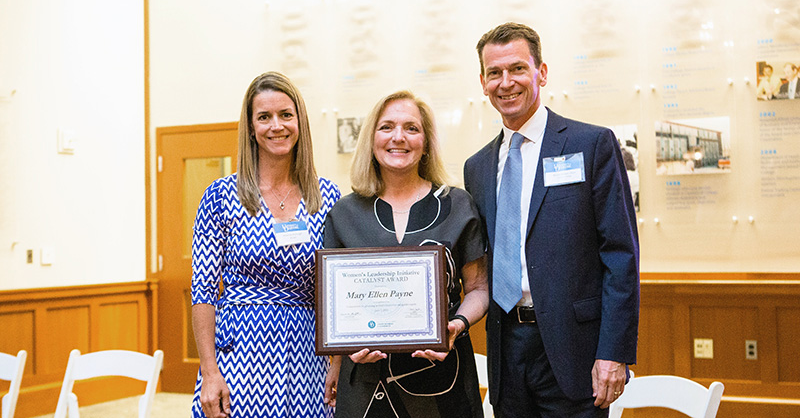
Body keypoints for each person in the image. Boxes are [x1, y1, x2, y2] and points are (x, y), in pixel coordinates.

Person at [463, 22, 639, 417]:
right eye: (495, 73)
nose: (506, 82)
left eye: (517, 69)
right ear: (483, 81)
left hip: (574, 352)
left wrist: (614, 352)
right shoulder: (476, 167)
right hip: (506, 351)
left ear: (541, 72)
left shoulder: (590, 145)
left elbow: (621, 255)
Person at [322, 90, 489, 418]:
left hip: (441, 378)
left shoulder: (458, 206)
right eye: (386, 127)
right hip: (365, 383)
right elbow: (334, 305)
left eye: (412, 128)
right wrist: (339, 354)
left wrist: (456, 325)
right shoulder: (344, 213)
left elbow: (480, 289)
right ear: (371, 139)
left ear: (426, 142)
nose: (398, 137)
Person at [190, 71, 340, 418]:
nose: (277, 126)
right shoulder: (221, 197)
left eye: (286, 115)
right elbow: (202, 292)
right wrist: (209, 372)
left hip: (308, 356)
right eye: (264, 117)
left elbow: (335, 292)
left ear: (299, 121)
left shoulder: (328, 197)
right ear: (251, 127)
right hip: (240, 357)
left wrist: (337, 362)